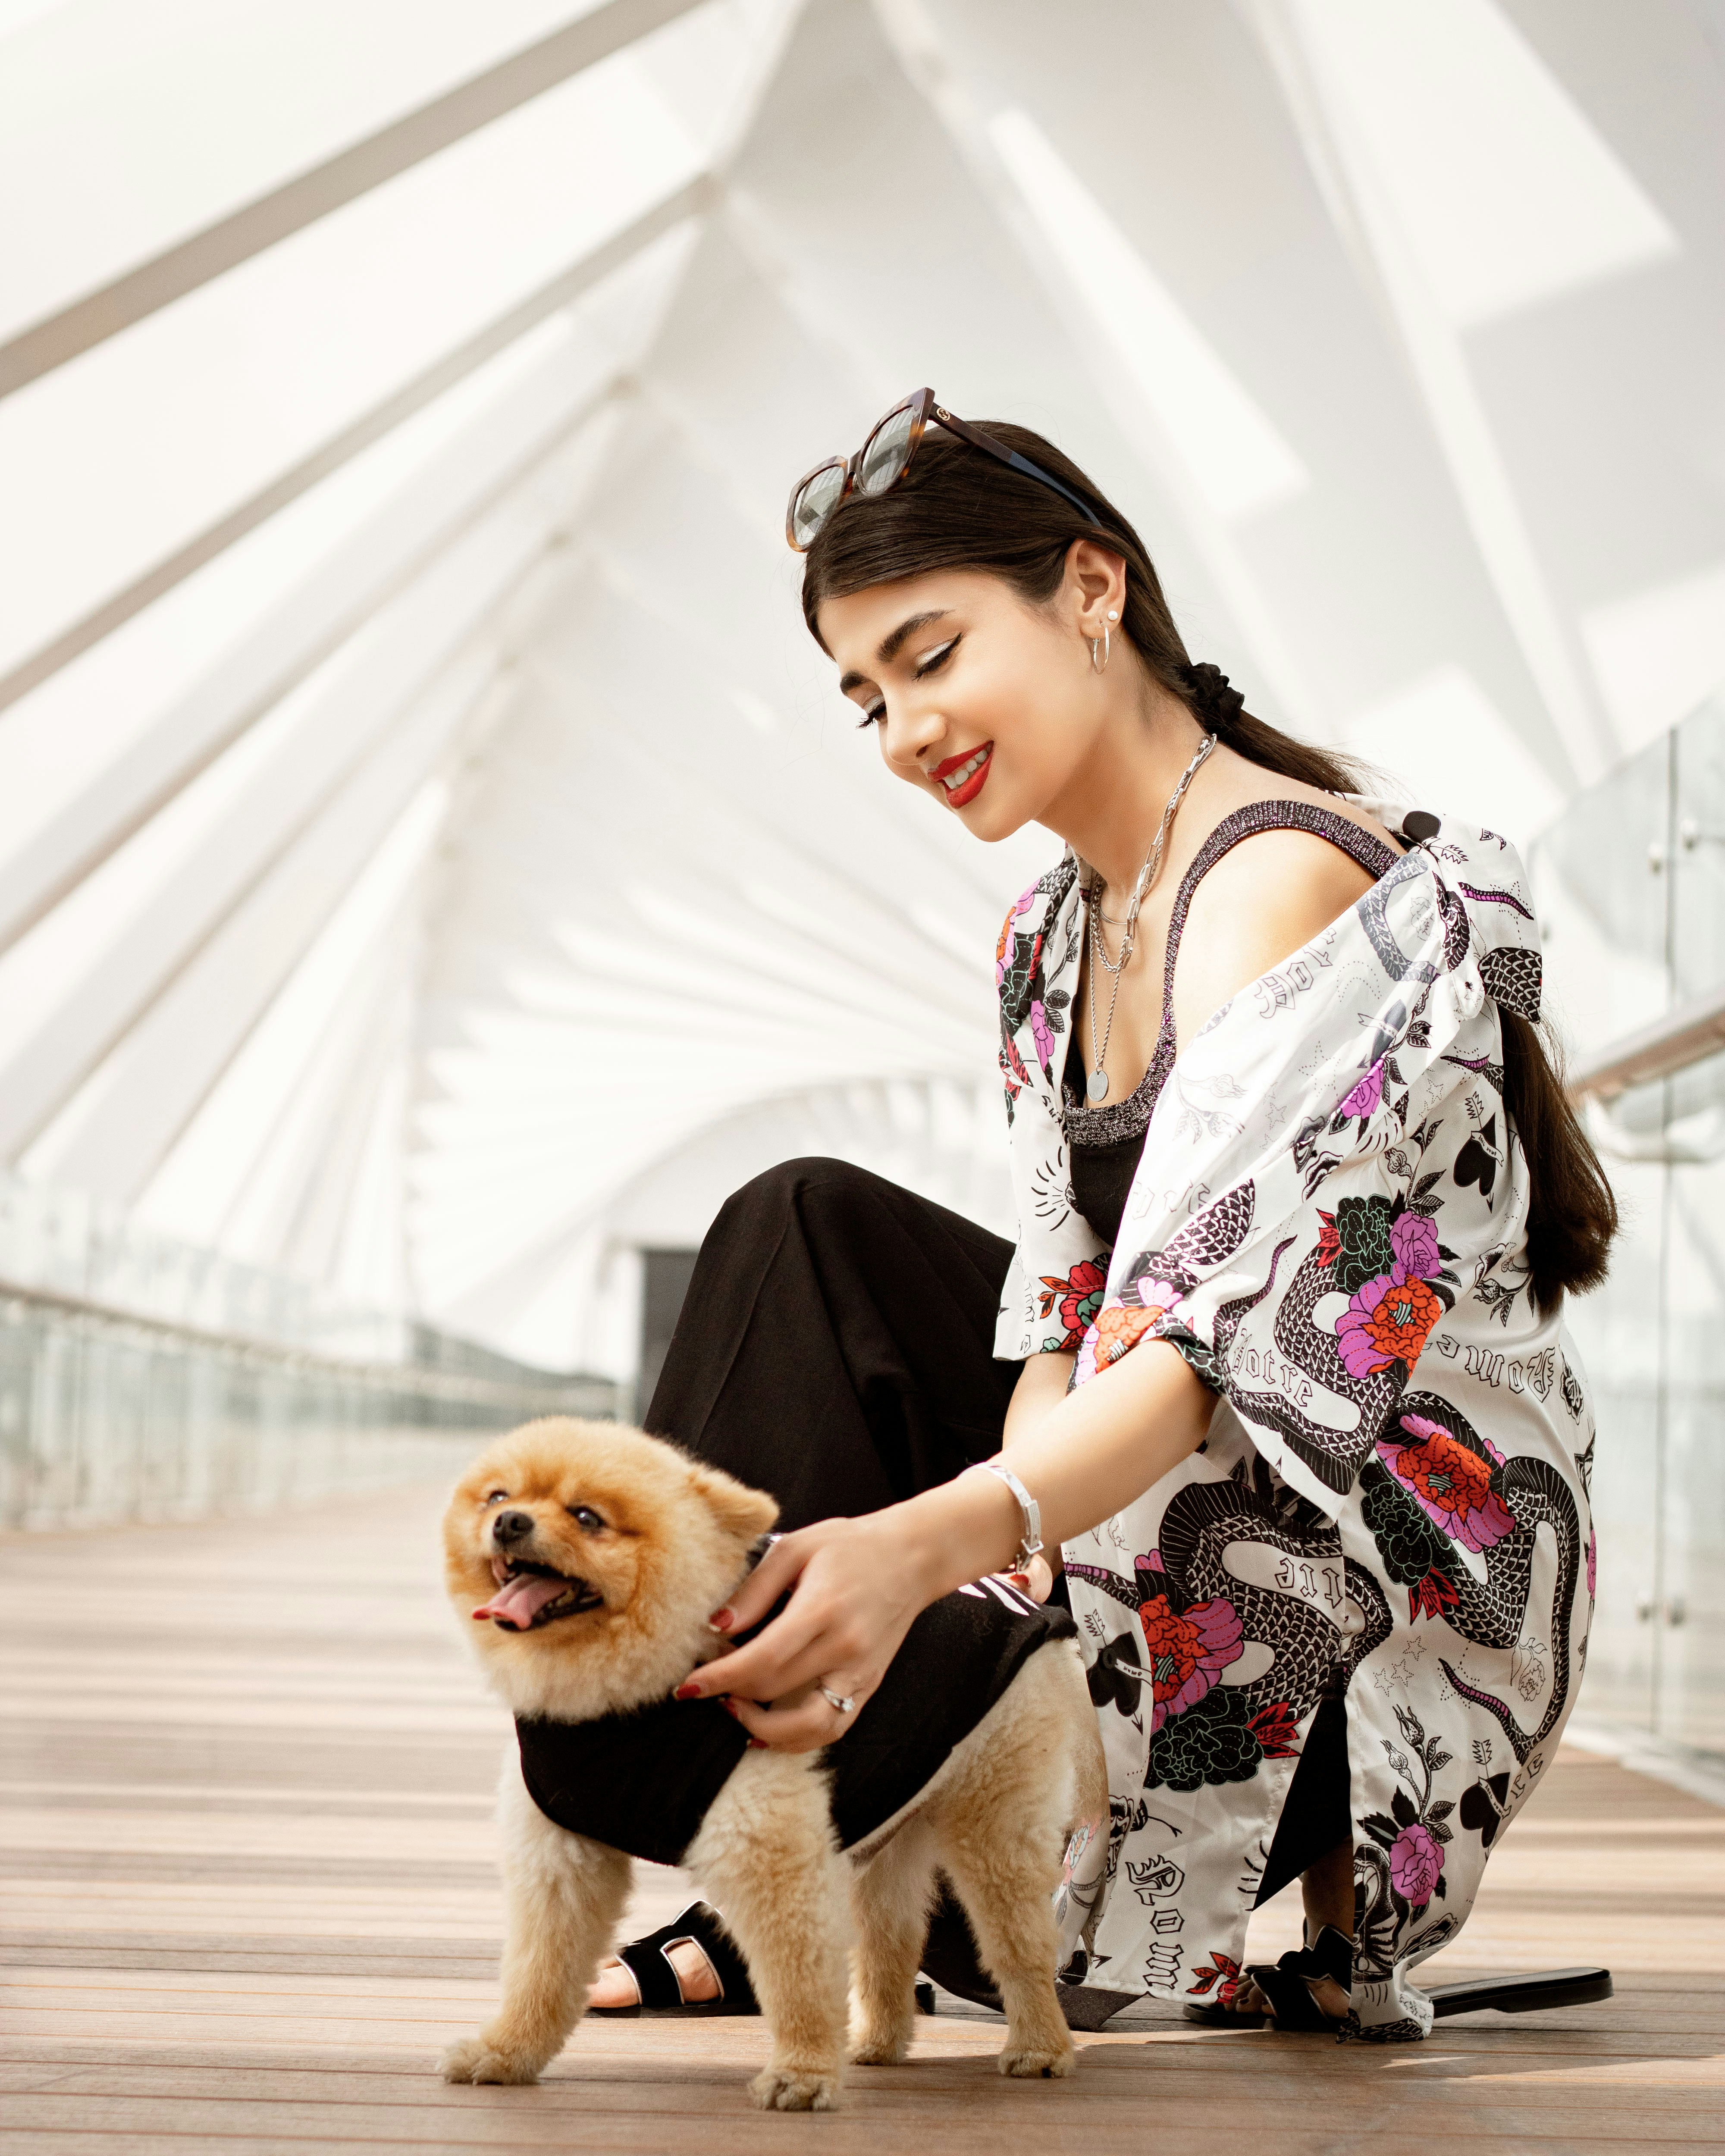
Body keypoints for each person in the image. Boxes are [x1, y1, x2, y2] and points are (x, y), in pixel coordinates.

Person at [585, 391, 1615, 2038]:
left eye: (929, 657)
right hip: (1166, 1491)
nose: (907, 733)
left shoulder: (1270, 887)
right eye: (865, 701)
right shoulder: (1051, 939)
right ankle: (753, 1796)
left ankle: (821, 1826)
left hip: (1356, 1573)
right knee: (805, 1232)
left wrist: (920, 1551)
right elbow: (1067, 1322)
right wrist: (976, 1589)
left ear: (1090, 587)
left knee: (1024, 1498)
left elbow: (1224, 1368)